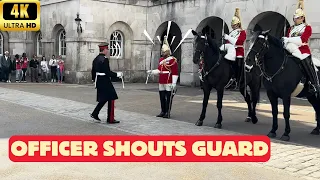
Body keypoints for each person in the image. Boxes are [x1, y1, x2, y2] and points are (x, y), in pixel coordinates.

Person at [282, 0, 320, 95]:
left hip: (303, 51)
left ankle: (314, 84)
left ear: (303, 18)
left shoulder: (307, 27)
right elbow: (287, 39)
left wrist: (288, 39)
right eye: (294, 18)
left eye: (298, 18)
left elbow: (302, 40)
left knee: (307, 62)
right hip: (290, 50)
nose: (295, 20)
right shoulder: (291, 28)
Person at [90, 42, 123, 123]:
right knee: (112, 97)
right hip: (105, 81)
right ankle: (110, 118)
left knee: (104, 98)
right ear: (104, 50)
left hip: (99, 81)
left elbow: (93, 71)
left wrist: (94, 80)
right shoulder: (104, 59)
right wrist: (117, 74)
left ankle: (95, 113)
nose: (108, 51)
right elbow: (107, 72)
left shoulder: (96, 59)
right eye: (107, 49)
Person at [147, 36, 179, 118]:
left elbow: (175, 72)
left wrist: (174, 83)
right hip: (161, 80)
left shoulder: (173, 60)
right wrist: (152, 72)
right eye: (162, 51)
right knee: (162, 97)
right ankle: (163, 111)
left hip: (169, 81)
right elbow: (159, 70)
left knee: (168, 98)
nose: (162, 53)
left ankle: (167, 112)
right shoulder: (161, 60)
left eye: (163, 51)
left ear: (167, 51)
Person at [220, 8, 246, 88]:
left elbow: (239, 42)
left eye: (234, 25)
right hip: (230, 50)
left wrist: (228, 37)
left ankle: (236, 78)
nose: (232, 26)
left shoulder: (242, 32)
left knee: (237, 63)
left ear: (238, 24)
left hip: (238, 50)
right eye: (232, 25)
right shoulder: (231, 32)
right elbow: (228, 43)